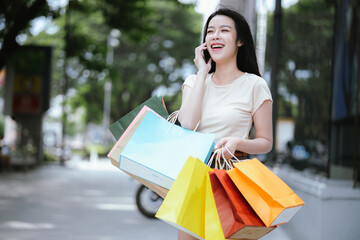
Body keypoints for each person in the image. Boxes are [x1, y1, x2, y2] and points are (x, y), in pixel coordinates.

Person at [177, 8, 273, 240]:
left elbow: (266, 142)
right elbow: (188, 123)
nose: (215, 36)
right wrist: (202, 72)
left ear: (240, 41)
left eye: (224, 30)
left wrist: (239, 142)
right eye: (210, 31)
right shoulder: (193, 81)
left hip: (232, 181)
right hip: (196, 180)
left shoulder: (255, 85)